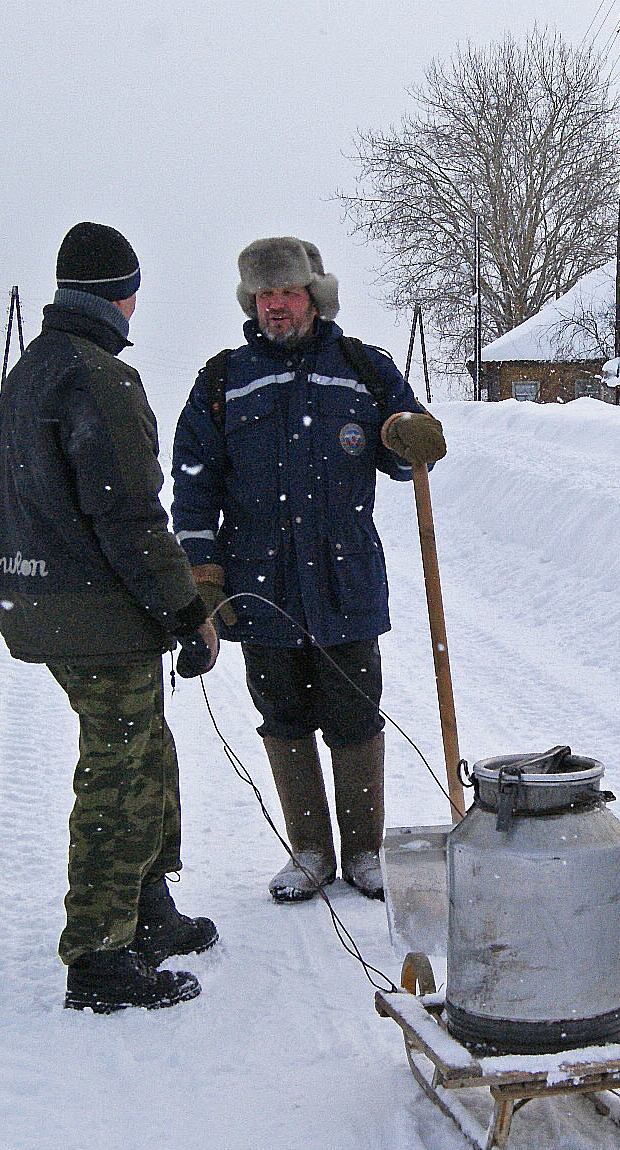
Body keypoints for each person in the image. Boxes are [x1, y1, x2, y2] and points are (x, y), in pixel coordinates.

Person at [0, 221, 220, 1013]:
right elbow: (130, 519)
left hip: (40, 601)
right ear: (124, 296)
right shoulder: (100, 380)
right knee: (120, 773)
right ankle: (100, 957)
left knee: (146, 746)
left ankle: (149, 909)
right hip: (94, 613)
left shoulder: (31, 372)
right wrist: (187, 610)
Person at [171, 236, 445, 903]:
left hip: (345, 578)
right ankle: (311, 851)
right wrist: (203, 574)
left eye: (287, 293)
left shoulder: (361, 367)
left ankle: (364, 854)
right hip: (259, 584)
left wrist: (414, 435)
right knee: (282, 715)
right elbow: (193, 485)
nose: (275, 307)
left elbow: (411, 443)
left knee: (356, 714)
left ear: (314, 296)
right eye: (264, 295)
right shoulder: (223, 381)